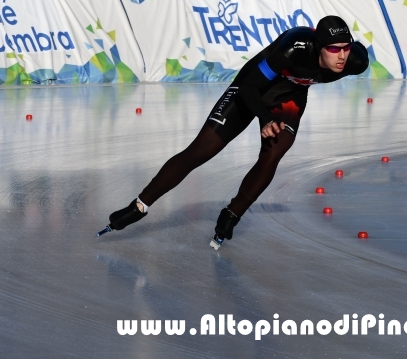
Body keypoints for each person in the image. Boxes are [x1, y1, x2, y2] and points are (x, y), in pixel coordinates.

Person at [98, 16, 369, 249]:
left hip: (288, 95)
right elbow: (250, 87)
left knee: (274, 154)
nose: (342, 56)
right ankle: (140, 205)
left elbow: (344, 58)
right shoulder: (294, 47)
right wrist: (264, 117)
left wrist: (275, 115)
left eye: (346, 48)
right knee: (201, 151)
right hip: (251, 87)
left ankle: (232, 214)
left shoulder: (355, 60)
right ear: (319, 45)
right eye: (334, 49)